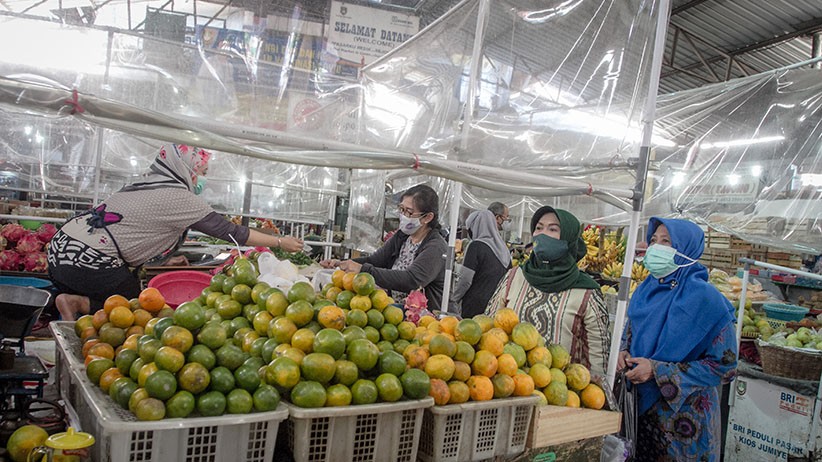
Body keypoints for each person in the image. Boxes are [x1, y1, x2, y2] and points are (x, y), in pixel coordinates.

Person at [48, 144, 304, 320]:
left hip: (61, 250)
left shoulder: (144, 183)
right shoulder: (179, 197)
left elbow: (137, 229)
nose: (202, 179)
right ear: (186, 168)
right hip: (88, 259)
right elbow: (230, 231)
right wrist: (280, 242)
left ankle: (70, 301)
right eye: (202, 172)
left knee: (128, 297)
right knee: (138, 306)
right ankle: (77, 303)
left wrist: (163, 259)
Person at [616, 217, 737, 461]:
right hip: (639, 416)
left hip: (684, 428)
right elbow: (629, 333)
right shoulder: (644, 291)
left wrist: (658, 371)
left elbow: (725, 367)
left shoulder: (707, 300)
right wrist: (623, 352)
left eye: (666, 242)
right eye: (653, 241)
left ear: (686, 249)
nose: (656, 248)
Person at [486, 206, 610, 377]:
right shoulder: (514, 277)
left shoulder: (587, 293)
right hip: (507, 385)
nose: (543, 234)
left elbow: (598, 360)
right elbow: (489, 325)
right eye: (538, 227)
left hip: (561, 394)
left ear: (569, 239)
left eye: (553, 229)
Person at [320, 184, 447, 310]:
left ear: (428, 217)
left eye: (408, 212)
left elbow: (411, 280)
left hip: (424, 319)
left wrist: (364, 270)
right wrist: (343, 264)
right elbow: (375, 261)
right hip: (395, 310)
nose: (402, 216)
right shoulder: (403, 236)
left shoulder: (436, 247)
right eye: (401, 209)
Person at [453, 210, 511, 318]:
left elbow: (465, 280)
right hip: (496, 306)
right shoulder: (504, 250)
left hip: (474, 306)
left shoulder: (475, 246)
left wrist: (453, 299)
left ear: (475, 226)